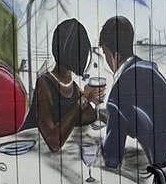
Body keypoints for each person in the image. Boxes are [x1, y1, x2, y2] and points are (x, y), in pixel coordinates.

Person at [98, 16, 166, 168]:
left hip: (157, 172)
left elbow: (112, 157)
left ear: (115, 56)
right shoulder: (151, 71)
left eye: (105, 54)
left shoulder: (119, 93)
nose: (106, 60)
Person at [20, 19, 104, 152]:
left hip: (48, 155)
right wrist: (81, 102)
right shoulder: (44, 83)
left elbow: (90, 116)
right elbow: (54, 142)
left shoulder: (74, 87)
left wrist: (86, 100)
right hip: (27, 151)